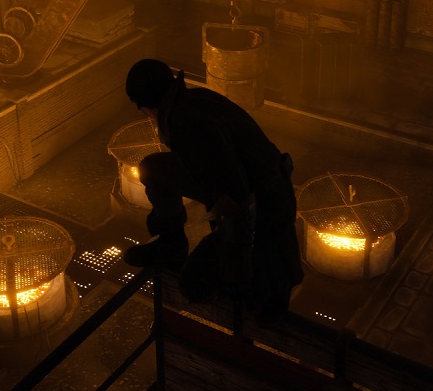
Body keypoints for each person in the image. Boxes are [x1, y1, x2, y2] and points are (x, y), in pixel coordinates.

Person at [122, 59, 304, 325]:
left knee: (198, 284)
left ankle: (260, 300)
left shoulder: (186, 124)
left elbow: (236, 201)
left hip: (264, 202)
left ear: (143, 106)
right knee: (154, 169)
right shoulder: (192, 101)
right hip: (250, 187)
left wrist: (232, 266)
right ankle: (172, 246)